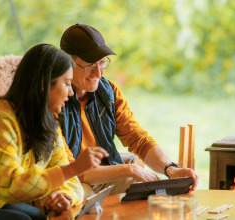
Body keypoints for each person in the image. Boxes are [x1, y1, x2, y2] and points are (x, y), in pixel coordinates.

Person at [58, 24, 199, 195]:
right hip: (74, 180)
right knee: (81, 195)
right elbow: (70, 169)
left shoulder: (108, 92)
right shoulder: (54, 100)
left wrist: (171, 170)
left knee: (156, 196)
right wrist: (129, 170)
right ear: (67, 63)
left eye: (102, 63)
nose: (99, 73)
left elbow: (137, 138)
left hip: (107, 173)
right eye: (90, 65)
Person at [0, 44, 108, 219]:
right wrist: (72, 169)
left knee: (41, 216)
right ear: (43, 83)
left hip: (0, 201)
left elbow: (65, 172)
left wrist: (64, 196)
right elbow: (9, 186)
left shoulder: (48, 119)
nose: (71, 92)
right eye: (66, 83)